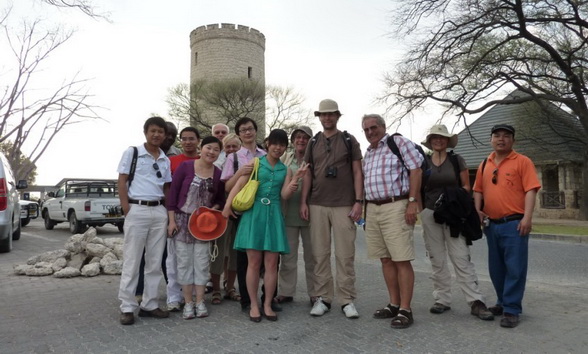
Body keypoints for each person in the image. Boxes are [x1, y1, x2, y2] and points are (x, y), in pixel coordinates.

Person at [223, 129, 308, 322]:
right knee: (253, 263)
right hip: (254, 215)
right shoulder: (255, 163)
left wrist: (296, 179)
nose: (278, 148)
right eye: (275, 143)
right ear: (268, 144)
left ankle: (267, 304)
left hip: (274, 216)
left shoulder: (285, 169)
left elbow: (285, 195)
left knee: (271, 264)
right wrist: (227, 207)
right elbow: (238, 186)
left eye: (282, 144)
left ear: (286, 147)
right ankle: (253, 304)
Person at [419, 124, 494, 321]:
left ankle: (476, 300)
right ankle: (442, 299)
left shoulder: (456, 159)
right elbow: (419, 189)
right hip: (430, 214)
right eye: (435, 137)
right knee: (436, 258)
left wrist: (453, 202)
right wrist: (422, 210)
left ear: (447, 141)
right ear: (431, 140)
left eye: (442, 137)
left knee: (461, 256)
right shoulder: (424, 162)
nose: (438, 140)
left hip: (453, 214)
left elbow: (466, 186)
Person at [300, 99, 363, 319]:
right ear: (319, 117)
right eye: (323, 115)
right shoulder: (313, 142)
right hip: (317, 203)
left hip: (344, 203)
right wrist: (303, 202)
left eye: (331, 114)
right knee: (320, 254)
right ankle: (323, 298)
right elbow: (308, 173)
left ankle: (347, 299)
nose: (327, 118)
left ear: (337, 116)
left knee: (345, 254)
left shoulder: (348, 140)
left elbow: (357, 172)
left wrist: (359, 201)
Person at [473, 124, 541, 328]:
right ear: (491, 139)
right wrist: (477, 210)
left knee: (515, 268)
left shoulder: (522, 162)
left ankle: (512, 309)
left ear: (513, 140)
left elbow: (531, 190)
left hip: (515, 224)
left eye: (506, 136)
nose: (501, 139)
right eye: (497, 136)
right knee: (496, 268)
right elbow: (478, 190)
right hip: (492, 225)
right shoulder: (485, 163)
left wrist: (527, 218)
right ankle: (502, 303)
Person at [361, 114, 422, 329]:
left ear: (383, 127)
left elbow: (416, 169)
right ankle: (394, 303)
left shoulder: (399, 143)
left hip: (397, 205)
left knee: (401, 259)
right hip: (373, 208)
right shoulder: (368, 154)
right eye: (366, 129)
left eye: (373, 127)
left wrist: (413, 202)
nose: (370, 132)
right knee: (385, 259)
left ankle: (406, 309)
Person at [117, 116, 172, 325]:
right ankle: (128, 307)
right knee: (132, 260)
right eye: (153, 131)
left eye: (160, 131)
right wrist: (126, 207)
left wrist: (167, 212)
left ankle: (150, 304)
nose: (156, 134)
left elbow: (167, 187)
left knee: (155, 262)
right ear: (146, 132)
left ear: (165, 135)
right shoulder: (132, 153)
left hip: (158, 211)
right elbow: (122, 180)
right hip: (137, 209)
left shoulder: (165, 159)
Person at [167, 136, 226, 320]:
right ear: (202, 147)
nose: (211, 152)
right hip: (182, 221)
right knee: (183, 263)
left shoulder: (217, 173)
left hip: (204, 225)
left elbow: (220, 200)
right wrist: (171, 221)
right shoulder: (185, 167)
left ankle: (200, 301)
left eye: (216, 149)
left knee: (201, 263)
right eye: (209, 147)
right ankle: (188, 302)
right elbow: (172, 195)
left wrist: (211, 211)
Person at [220, 117, 268, 311]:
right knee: (244, 258)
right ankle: (247, 300)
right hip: (243, 211)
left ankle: (267, 297)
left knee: (266, 255)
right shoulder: (234, 157)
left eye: (250, 129)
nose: (247, 132)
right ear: (239, 134)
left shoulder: (265, 155)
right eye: (243, 130)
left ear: (256, 131)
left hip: (263, 210)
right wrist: (240, 173)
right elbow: (227, 186)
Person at [135, 120, 179, 301]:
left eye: (171, 135)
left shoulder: (176, 156)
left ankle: (172, 292)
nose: (167, 137)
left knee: (165, 254)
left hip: (164, 209)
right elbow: (126, 181)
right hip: (141, 209)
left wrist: (171, 215)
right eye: (164, 133)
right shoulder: (138, 154)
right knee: (139, 255)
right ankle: (137, 292)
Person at [275, 126, 316, 305]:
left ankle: (316, 292)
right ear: (292, 141)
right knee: (288, 256)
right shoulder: (285, 158)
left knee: (312, 256)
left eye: (305, 138)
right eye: (298, 137)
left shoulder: (316, 159)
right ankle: (286, 291)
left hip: (310, 214)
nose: (301, 140)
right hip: (288, 213)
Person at [165, 126, 201, 312]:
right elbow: (169, 191)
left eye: (191, 138)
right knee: (174, 259)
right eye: (184, 139)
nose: (188, 142)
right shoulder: (172, 161)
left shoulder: (205, 161)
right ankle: (173, 296)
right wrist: (171, 219)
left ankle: (194, 296)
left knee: (196, 259)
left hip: (199, 220)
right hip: (177, 216)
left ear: (198, 141)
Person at [208, 133, 243, 305]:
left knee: (235, 252)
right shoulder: (217, 166)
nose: (230, 149)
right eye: (227, 146)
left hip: (239, 213)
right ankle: (215, 289)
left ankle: (230, 287)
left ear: (239, 147)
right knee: (218, 252)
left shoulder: (243, 163)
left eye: (234, 146)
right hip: (221, 213)